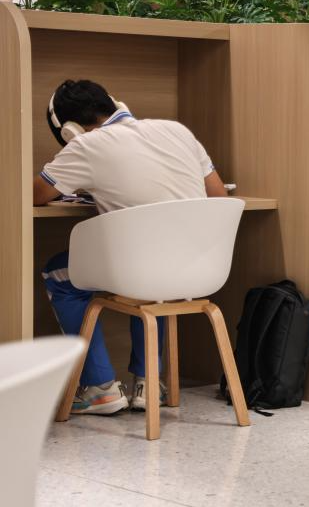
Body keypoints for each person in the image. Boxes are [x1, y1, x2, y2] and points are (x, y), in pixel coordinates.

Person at [34, 79, 229, 415]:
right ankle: (148, 384)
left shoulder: (85, 146)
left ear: (69, 131)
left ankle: (100, 389)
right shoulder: (178, 131)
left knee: (58, 273)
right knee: (153, 273)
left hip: (140, 270)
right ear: (116, 104)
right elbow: (219, 195)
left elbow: (36, 195)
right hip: (196, 268)